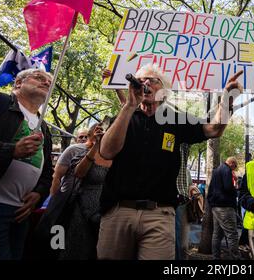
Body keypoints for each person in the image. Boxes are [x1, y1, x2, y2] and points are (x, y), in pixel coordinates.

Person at [97, 63, 243, 260]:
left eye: (152, 81)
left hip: (159, 214)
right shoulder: (124, 117)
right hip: (118, 211)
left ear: (163, 92)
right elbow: (106, 152)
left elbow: (214, 129)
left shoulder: (175, 120)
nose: (145, 84)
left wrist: (227, 100)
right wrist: (129, 106)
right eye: (141, 81)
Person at [0, 69, 53, 259]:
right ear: (18, 83)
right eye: (39, 78)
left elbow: (47, 172)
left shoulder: (44, 127)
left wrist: (38, 193)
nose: (46, 83)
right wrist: (11, 150)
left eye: (49, 81)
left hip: (21, 213)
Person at [58, 123, 111, 259]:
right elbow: (79, 173)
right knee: (77, 250)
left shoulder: (117, 155)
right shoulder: (83, 151)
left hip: (106, 214)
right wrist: (96, 145)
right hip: (82, 211)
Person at [207, 156, 241, 260]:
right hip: (225, 206)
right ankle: (236, 259)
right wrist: (236, 187)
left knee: (217, 234)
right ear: (232, 163)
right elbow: (228, 187)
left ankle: (216, 258)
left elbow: (211, 188)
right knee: (232, 235)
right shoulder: (227, 170)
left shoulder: (217, 170)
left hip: (215, 206)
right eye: (234, 167)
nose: (234, 169)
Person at [50, 127, 89, 195]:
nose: (84, 139)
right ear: (76, 139)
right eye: (81, 137)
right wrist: (53, 197)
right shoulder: (72, 150)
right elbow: (57, 175)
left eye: (86, 137)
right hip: (68, 191)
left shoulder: (95, 151)